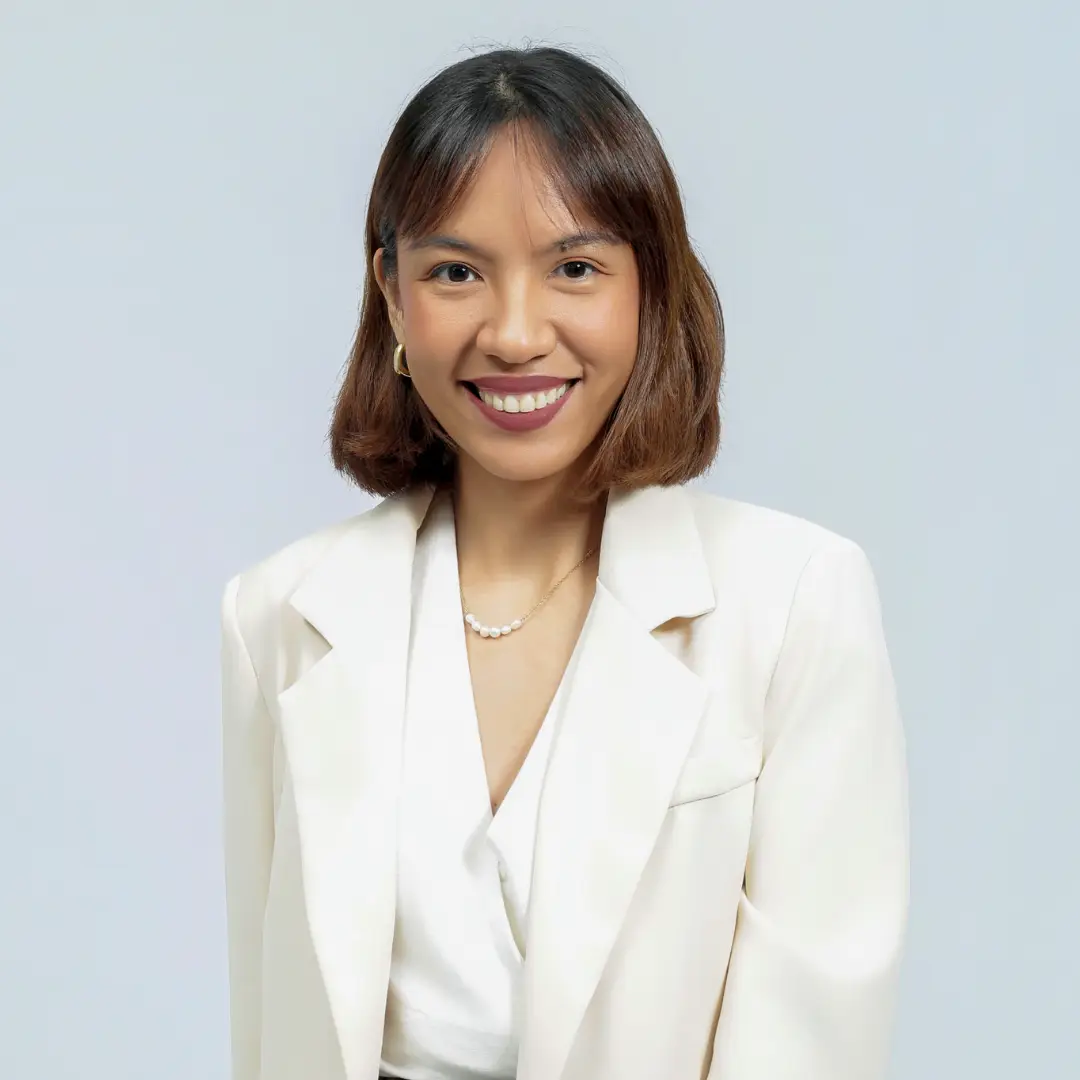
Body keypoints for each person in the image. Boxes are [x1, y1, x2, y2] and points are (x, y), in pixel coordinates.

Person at [219, 44, 909, 1080]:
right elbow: (272, 1031)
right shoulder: (277, 616)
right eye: (456, 272)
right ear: (393, 295)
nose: (513, 334)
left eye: (575, 268)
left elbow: (813, 1038)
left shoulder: (794, 603)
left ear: (648, 289)